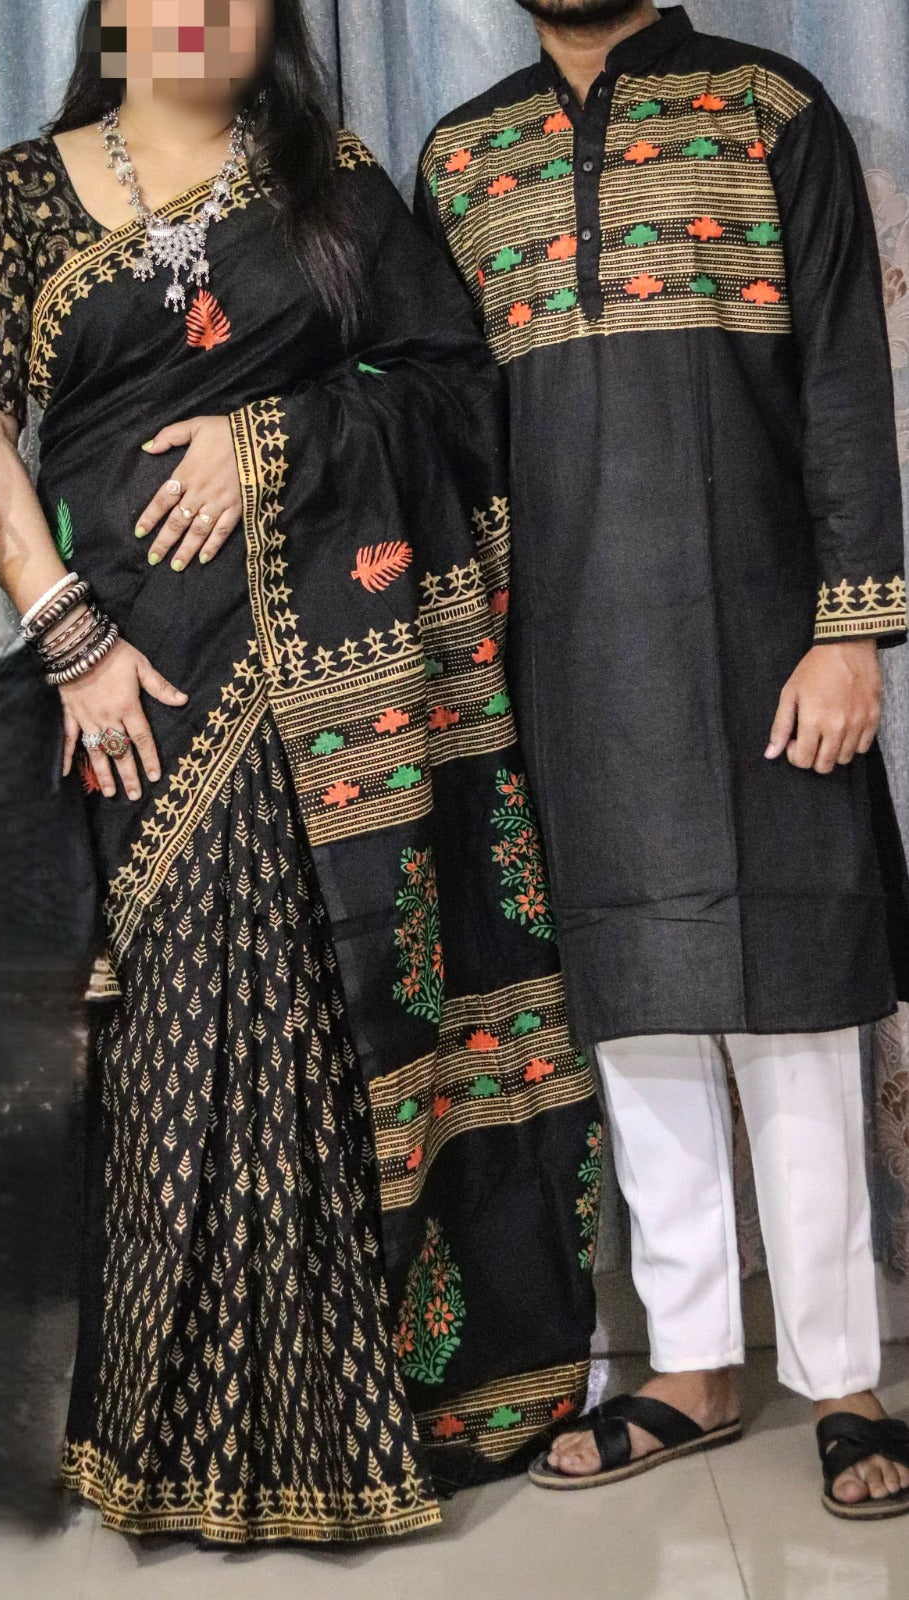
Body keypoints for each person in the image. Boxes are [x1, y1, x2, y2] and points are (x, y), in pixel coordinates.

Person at [0, 0, 604, 1544]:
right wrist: (68, 638)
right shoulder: (23, 192)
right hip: (127, 683)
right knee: (171, 1034)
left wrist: (276, 440)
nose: (201, 13)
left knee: (330, 1019)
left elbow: (453, 392)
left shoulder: (332, 186)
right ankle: (167, 1433)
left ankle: (335, 1429)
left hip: (336, 684)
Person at [417, 0, 909, 1519]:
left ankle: (842, 1378)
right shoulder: (463, 158)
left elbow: (845, 377)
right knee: (628, 1008)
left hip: (769, 638)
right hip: (565, 652)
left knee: (793, 1005)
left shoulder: (770, 109)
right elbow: (436, 413)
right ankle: (690, 1367)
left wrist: (850, 629)